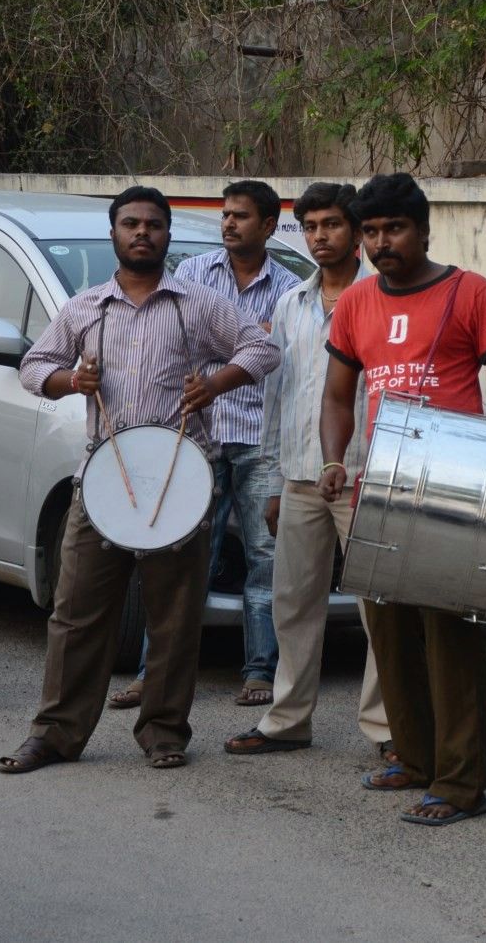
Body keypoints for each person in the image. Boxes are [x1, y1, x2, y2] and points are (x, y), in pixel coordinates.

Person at [319, 172, 486, 826]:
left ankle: (462, 785)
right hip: (382, 484)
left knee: (450, 639)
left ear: (424, 228)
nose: (383, 243)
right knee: (389, 633)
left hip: (456, 486)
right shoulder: (354, 304)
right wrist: (332, 458)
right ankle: (412, 758)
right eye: (373, 231)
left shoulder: (471, 292)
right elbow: (334, 396)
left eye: (395, 229)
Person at [0, 186, 278, 774]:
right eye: (131, 224)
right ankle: (54, 734)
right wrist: (71, 381)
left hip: (182, 481)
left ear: (168, 235)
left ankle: (163, 732)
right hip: (100, 481)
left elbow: (261, 347)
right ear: (115, 234)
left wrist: (217, 383)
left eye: (153, 224)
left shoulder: (196, 302)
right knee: (76, 613)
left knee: (174, 617)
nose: (142, 232)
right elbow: (33, 368)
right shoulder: (86, 308)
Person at [223, 182, 392, 759]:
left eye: (333, 225)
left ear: (356, 232)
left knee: (379, 612)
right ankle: (288, 720)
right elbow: (278, 396)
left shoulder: (381, 299)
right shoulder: (290, 302)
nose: (321, 237)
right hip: (298, 476)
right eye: (312, 227)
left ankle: (388, 730)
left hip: (365, 475)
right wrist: (272, 482)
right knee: (292, 604)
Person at [141, 179, 301, 710]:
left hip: (260, 438)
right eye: (226, 215)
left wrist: (236, 349)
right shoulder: (190, 274)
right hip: (199, 435)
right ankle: (152, 672)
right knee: (185, 557)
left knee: (264, 557)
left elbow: (281, 357)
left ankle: (259, 672)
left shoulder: (291, 287)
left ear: (270, 225)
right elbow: (182, 340)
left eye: (242, 216)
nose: (229, 223)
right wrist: (246, 340)